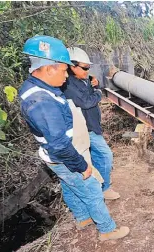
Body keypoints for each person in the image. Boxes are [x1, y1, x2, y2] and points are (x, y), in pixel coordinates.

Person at [19, 35, 129, 241]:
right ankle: (107, 230)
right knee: (92, 187)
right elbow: (59, 145)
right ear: (49, 68)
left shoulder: (40, 88)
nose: (66, 75)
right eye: (63, 70)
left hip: (55, 155)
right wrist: (81, 165)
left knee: (69, 184)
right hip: (62, 155)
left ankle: (83, 217)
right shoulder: (41, 101)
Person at [61, 47, 119, 200]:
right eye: (84, 67)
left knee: (95, 157)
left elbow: (90, 91)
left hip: (92, 125)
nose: (87, 71)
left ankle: (99, 186)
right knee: (106, 155)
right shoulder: (67, 85)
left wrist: (95, 84)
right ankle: (104, 188)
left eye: (88, 68)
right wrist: (99, 93)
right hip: (84, 129)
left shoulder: (83, 79)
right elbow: (86, 102)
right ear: (72, 66)